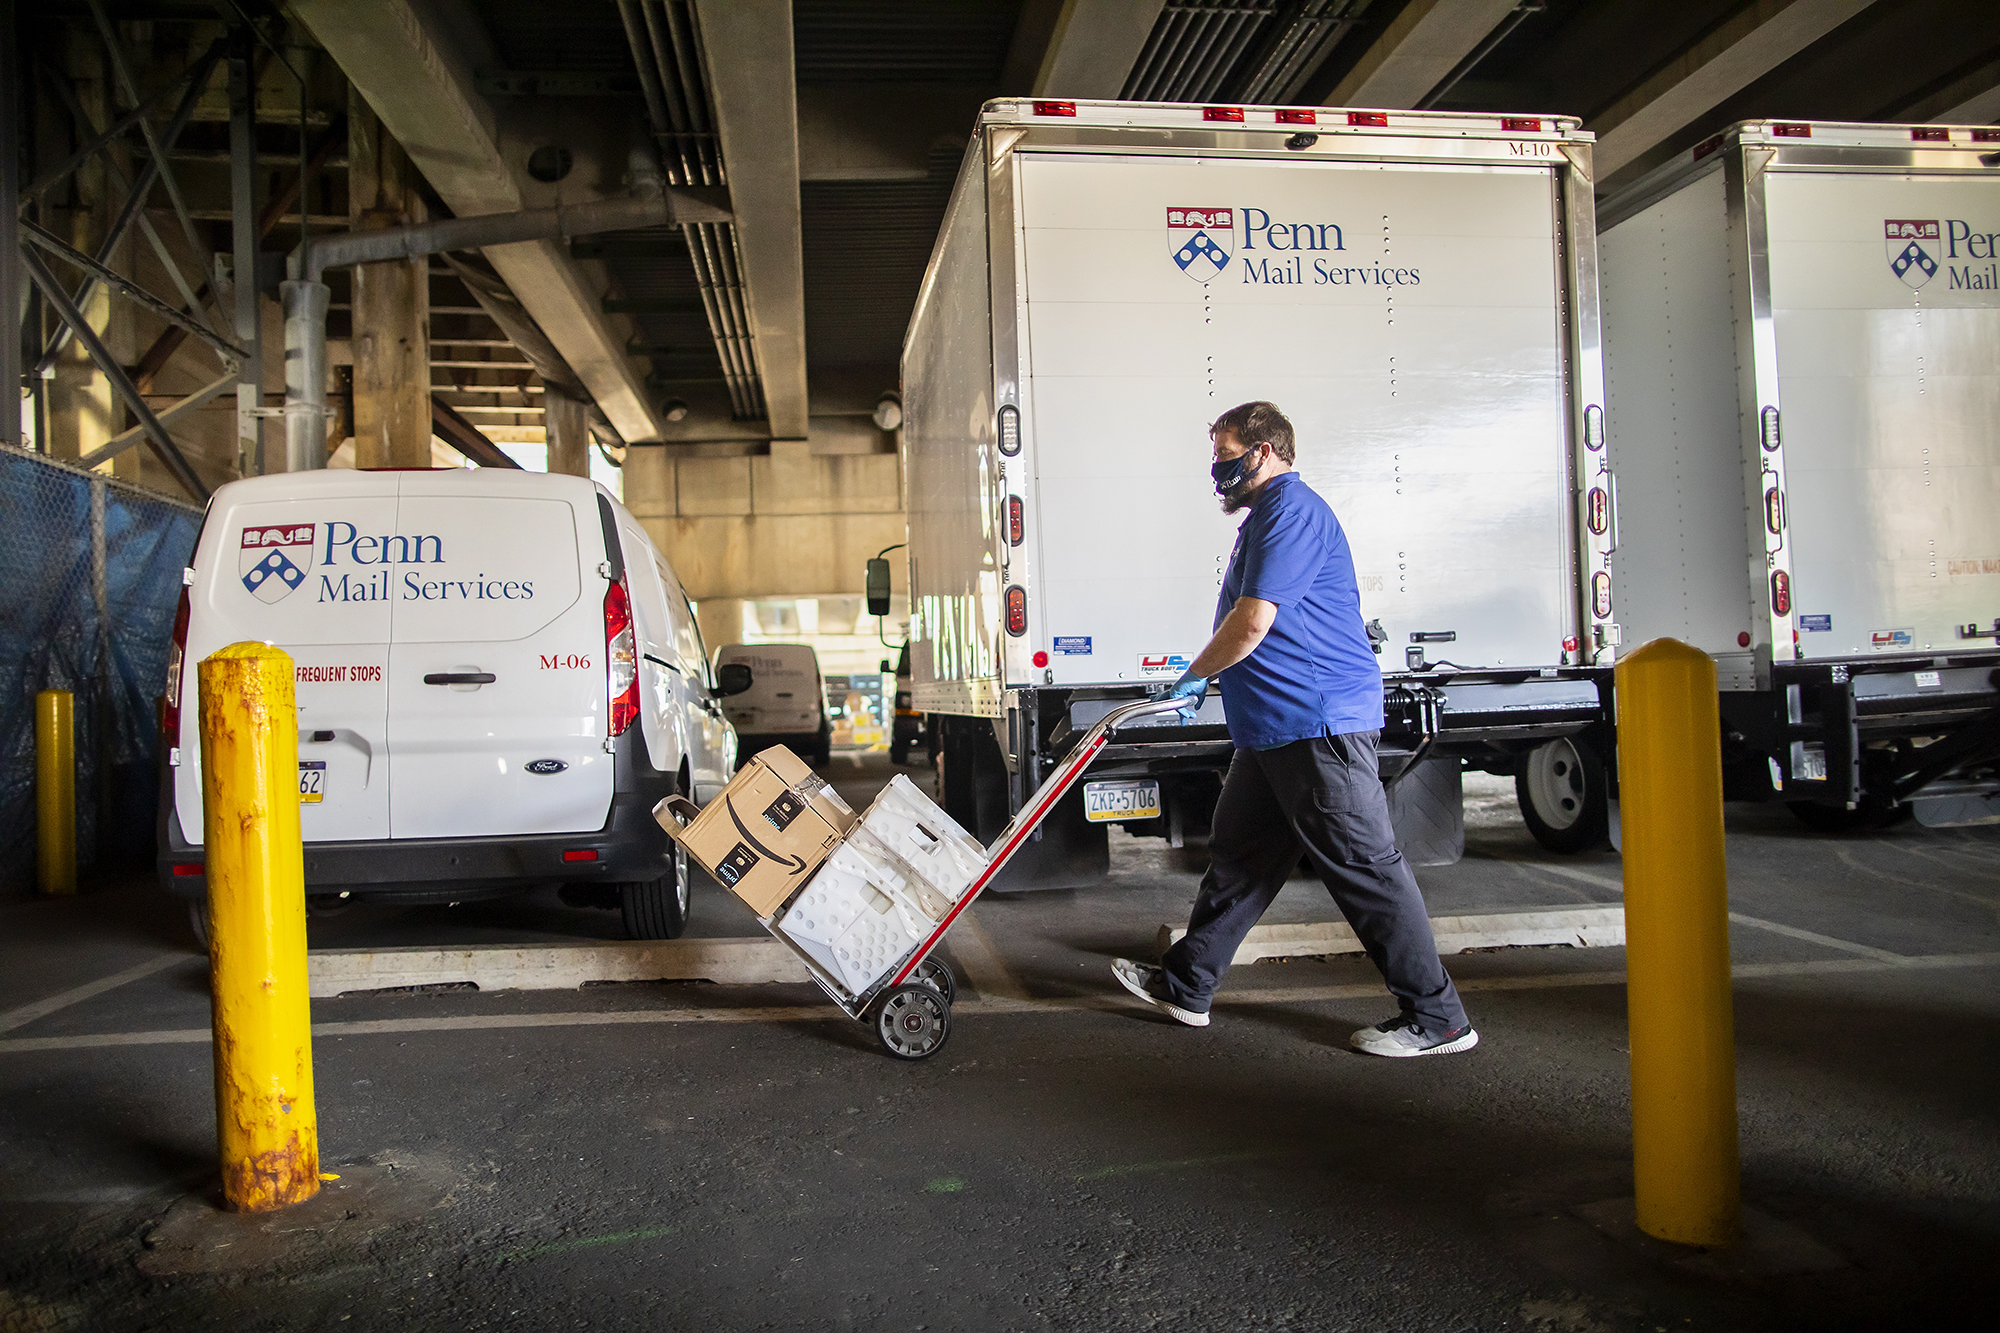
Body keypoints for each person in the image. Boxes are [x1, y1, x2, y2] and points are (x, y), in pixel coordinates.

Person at [1111, 401, 1476, 1058]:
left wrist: (1197, 674)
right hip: (1276, 730)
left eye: (1228, 454)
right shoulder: (1263, 520)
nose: (1219, 469)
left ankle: (1439, 1017)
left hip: (1317, 725)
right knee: (1240, 857)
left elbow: (1253, 622)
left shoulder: (1292, 512)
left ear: (1267, 450)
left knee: (1366, 868)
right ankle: (1189, 983)